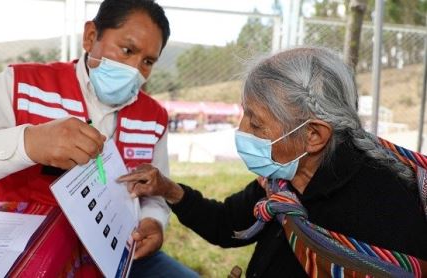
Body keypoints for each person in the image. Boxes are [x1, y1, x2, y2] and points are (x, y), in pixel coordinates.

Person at [0, 0, 197, 277]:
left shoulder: (154, 118)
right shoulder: (23, 87)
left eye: (147, 62)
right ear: (91, 37)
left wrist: (153, 221)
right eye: (127, 50)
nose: (134, 69)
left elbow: (154, 193)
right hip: (25, 249)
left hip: (118, 252)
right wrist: (28, 143)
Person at [118, 47, 427, 277]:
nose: (241, 131)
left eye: (256, 123)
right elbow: (228, 223)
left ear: (313, 135)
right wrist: (169, 190)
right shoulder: (284, 181)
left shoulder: (386, 213)